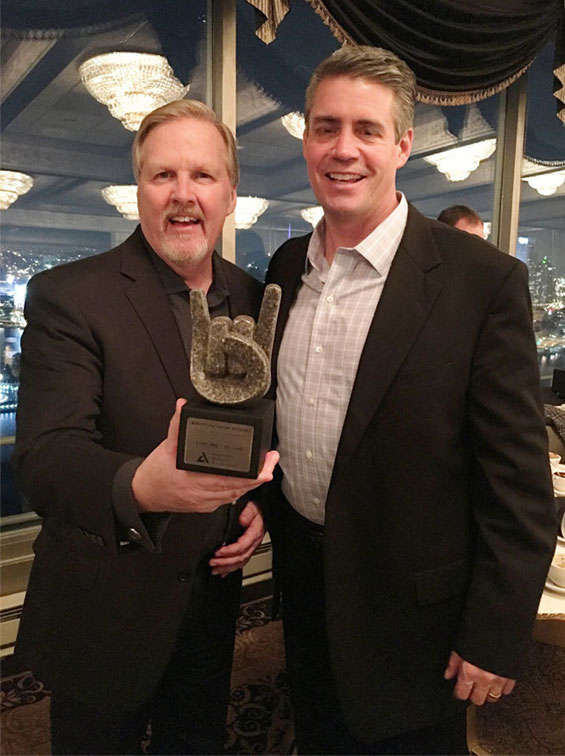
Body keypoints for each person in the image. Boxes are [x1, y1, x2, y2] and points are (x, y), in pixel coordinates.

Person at [265, 46, 555, 755]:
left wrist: (495, 633)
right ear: (305, 139)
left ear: (401, 144)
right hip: (303, 579)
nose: (343, 149)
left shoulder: (480, 282)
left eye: (365, 130)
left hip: (416, 615)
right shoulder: (283, 265)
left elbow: (516, 484)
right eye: (325, 127)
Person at [13, 99, 278, 755]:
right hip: (102, 608)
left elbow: (265, 428)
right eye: (163, 175)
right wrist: (142, 486)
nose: (182, 194)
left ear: (230, 193)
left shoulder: (257, 299)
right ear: (138, 190)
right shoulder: (70, 296)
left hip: (211, 603)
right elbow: (45, 460)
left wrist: (258, 508)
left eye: (203, 175)